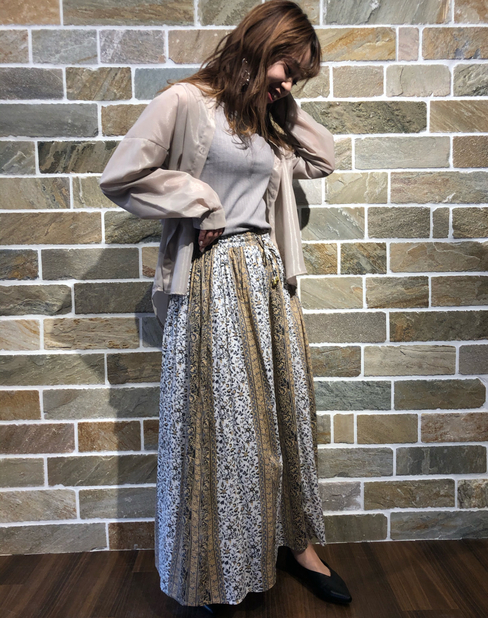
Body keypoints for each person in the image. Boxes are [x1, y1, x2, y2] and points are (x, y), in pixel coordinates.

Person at [99, 0, 352, 611]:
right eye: (287, 68)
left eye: (298, 77)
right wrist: (198, 199)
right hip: (212, 278)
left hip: (268, 278)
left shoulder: (268, 120)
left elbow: (323, 159)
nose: (289, 83)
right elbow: (121, 176)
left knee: (285, 416)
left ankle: (297, 544)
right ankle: (215, 563)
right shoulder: (184, 102)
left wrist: (280, 103)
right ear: (261, 45)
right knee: (222, 427)